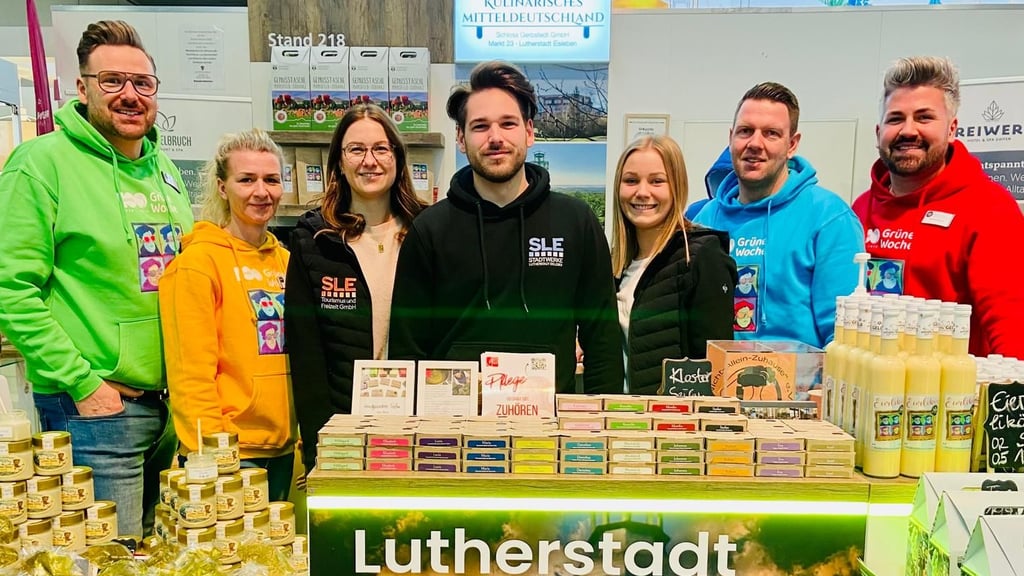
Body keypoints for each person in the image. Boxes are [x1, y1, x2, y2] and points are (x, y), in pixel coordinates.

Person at [0, 20, 192, 538]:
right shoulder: (41, 165)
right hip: (96, 413)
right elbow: (10, 291)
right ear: (82, 89)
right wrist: (85, 385)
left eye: (142, 83)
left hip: (164, 411)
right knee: (110, 560)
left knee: (154, 558)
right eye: (112, 81)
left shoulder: (165, 171)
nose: (130, 95)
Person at [389, 61, 623, 393]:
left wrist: (600, 419)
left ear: (529, 132)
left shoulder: (576, 221)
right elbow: (407, 350)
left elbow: (602, 343)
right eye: (480, 126)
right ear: (461, 138)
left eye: (508, 123)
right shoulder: (429, 230)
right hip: (451, 420)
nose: (495, 137)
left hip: (549, 420)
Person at [852, 56, 1024, 358]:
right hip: (868, 379)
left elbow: (1012, 330)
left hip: (953, 387)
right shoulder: (861, 207)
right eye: (896, 119)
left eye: (924, 117)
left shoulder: (990, 210)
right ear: (879, 133)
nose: (908, 131)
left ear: (952, 129)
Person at [285, 104, 424, 474]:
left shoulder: (428, 232)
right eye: (356, 150)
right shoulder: (314, 239)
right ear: (339, 162)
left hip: (417, 427)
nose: (369, 161)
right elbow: (306, 355)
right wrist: (318, 447)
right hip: (344, 429)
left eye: (380, 149)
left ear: (397, 157)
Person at [159, 129, 296, 502]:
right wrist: (213, 454)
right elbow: (190, 374)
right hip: (229, 456)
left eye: (271, 180)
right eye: (246, 180)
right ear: (222, 187)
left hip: (282, 450)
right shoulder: (197, 263)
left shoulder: (287, 262)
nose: (261, 192)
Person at [693, 82, 864, 349]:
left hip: (801, 377)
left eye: (771, 133)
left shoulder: (830, 218)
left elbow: (843, 337)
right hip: (715, 374)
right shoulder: (705, 220)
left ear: (792, 145)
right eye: (745, 131)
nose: (755, 143)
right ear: (731, 138)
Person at [611, 135, 736, 394]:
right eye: (631, 180)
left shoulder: (702, 258)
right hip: (618, 413)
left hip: (672, 417)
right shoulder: (614, 263)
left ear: (677, 186)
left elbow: (714, 370)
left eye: (657, 181)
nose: (642, 192)